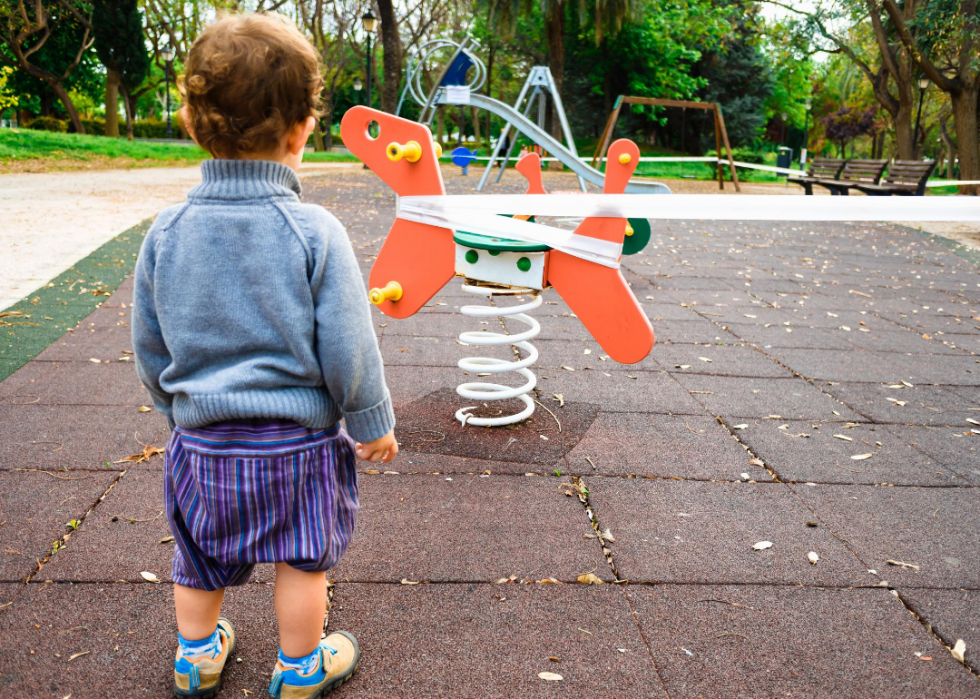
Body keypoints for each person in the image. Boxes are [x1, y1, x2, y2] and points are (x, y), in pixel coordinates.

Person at [131, 14, 397, 699]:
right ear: (303, 129)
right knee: (303, 559)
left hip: (202, 442)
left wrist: (178, 408)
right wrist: (370, 421)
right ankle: (300, 666)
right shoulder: (314, 231)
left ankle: (196, 657)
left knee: (198, 562)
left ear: (192, 123)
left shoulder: (168, 230)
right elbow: (348, 341)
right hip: (297, 448)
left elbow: (150, 340)